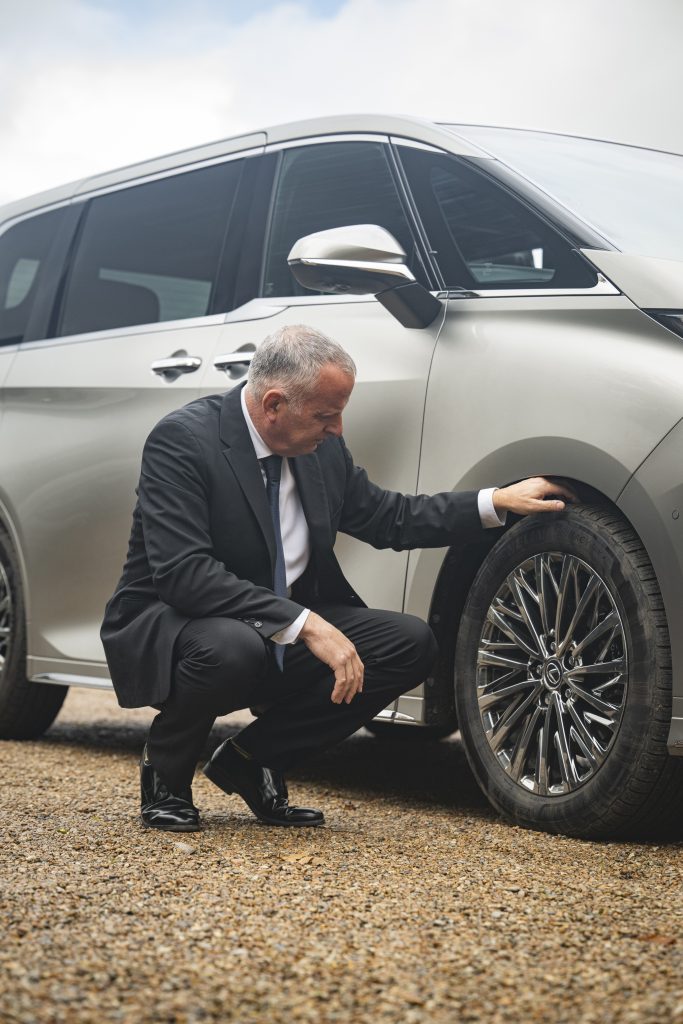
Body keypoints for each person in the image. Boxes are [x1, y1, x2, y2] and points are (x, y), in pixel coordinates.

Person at [100, 325, 576, 833]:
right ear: (274, 404)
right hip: (185, 623)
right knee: (231, 647)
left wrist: (494, 501)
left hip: (272, 625)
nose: (338, 429)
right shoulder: (183, 441)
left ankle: (253, 758)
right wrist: (306, 623)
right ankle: (167, 776)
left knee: (409, 643)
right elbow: (183, 574)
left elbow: (388, 518)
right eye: (326, 415)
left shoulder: (321, 451)